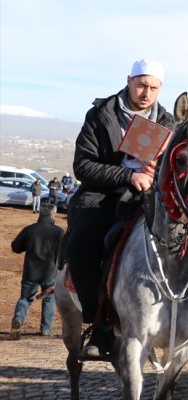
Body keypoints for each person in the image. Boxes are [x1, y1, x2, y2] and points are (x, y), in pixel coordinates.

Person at [63, 58, 175, 360]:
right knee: (82, 243)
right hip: (101, 196)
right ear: (129, 80)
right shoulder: (101, 115)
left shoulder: (167, 122)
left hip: (148, 198)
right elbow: (82, 165)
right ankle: (98, 323)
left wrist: (157, 169)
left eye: (153, 87)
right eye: (141, 85)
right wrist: (128, 175)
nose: (146, 92)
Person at [10, 203, 64, 340]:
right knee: (49, 299)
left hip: (30, 272)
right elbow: (62, 255)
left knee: (25, 298)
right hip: (49, 272)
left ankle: (18, 319)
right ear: (53, 215)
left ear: (40, 214)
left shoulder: (29, 230)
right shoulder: (58, 232)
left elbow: (15, 247)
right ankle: (46, 329)